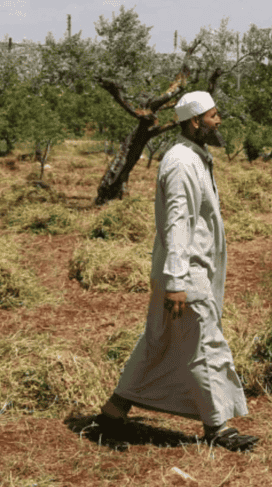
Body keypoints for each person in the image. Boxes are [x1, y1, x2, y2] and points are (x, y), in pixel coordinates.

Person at [96, 91, 258, 452]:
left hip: (187, 270)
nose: (219, 121)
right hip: (186, 274)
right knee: (204, 342)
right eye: (213, 115)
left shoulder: (193, 157)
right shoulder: (182, 163)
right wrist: (176, 282)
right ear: (195, 121)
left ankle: (112, 413)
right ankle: (217, 426)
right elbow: (177, 224)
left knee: (159, 342)